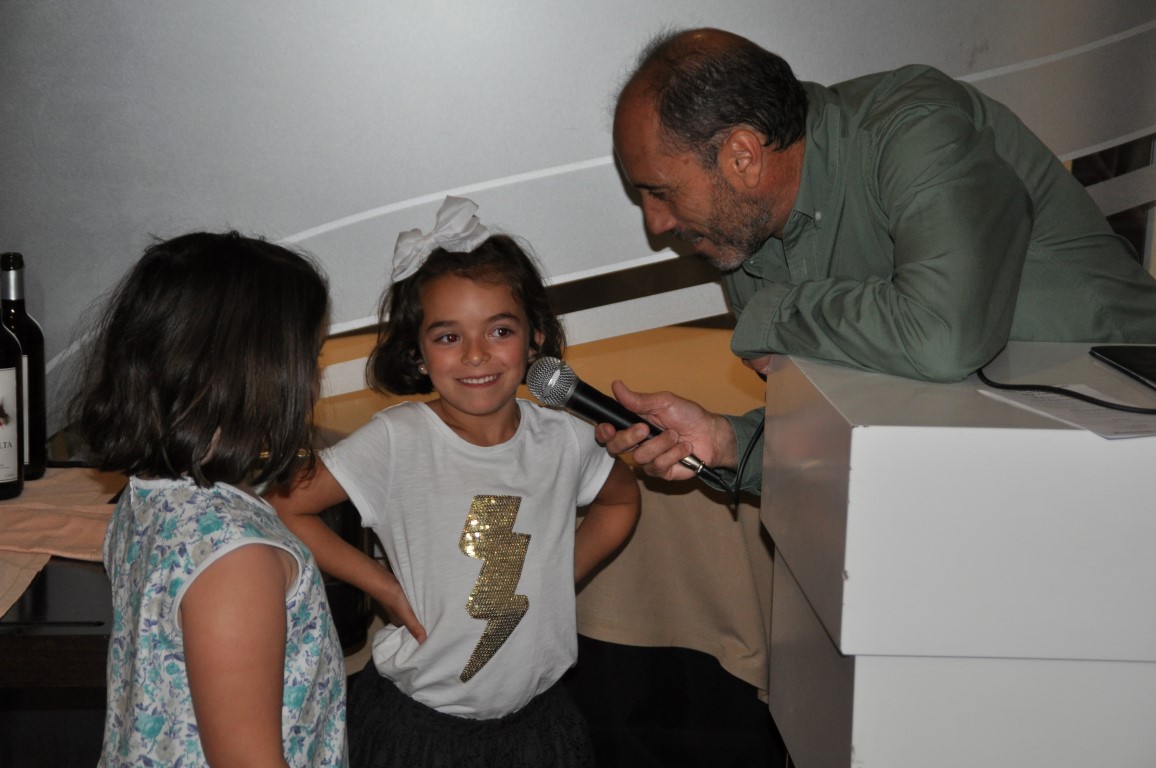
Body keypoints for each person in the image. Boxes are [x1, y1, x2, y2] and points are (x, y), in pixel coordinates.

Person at [602, 27, 1156, 494]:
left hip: (1126, 445)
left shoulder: (914, 130)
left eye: (660, 192)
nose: (656, 225)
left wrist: (776, 315)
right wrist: (726, 442)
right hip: (976, 474)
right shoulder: (742, 237)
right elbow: (843, 419)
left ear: (742, 156)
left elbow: (942, 336)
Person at [267, 196, 641, 768]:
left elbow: (621, 499)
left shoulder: (565, 437)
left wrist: (558, 578)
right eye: (448, 337)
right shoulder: (398, 439)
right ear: (417, 353)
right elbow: (285, 506)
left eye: (499, 330)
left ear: (535, 338)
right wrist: (384, 588)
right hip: (418, 733)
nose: (475, 355)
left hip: (537, 726)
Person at [72, 232, 347, 766]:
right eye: (310, 359)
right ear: (256, 371)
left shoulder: (151, 495)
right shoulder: (234, 559)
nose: (314, 381)